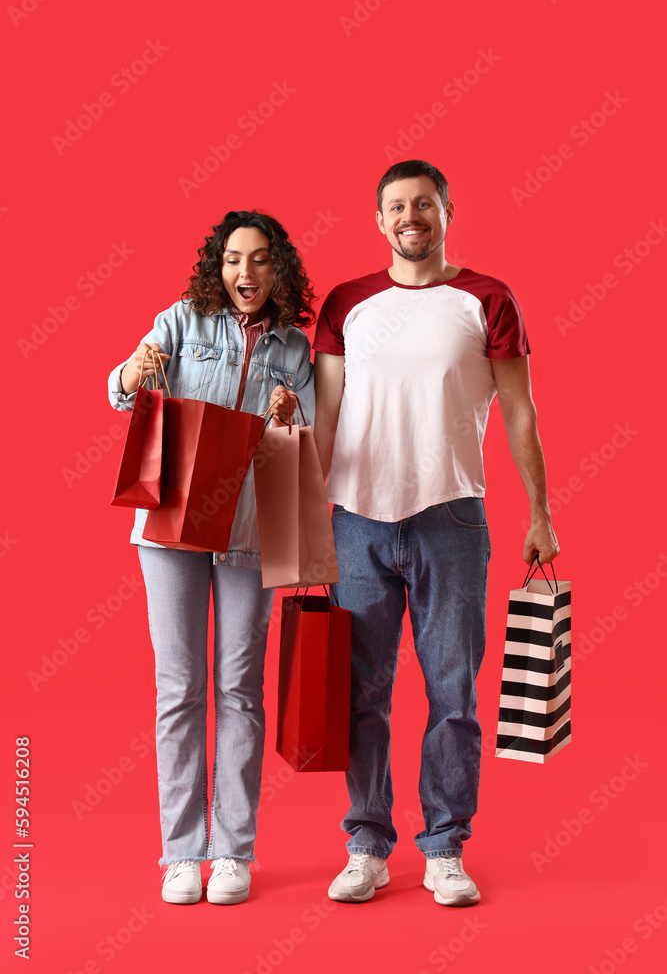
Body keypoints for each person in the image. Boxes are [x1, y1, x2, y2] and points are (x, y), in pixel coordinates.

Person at [313, 159, 559, 907]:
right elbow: (323, 416)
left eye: (423, 204)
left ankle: (445, 848)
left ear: (448, 210)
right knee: (361, 694)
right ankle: (366, 845)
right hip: (355, 518)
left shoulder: (485, 299)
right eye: (395, 207)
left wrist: (540, 512)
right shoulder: (346, 303)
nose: (409, 216)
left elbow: (520, 411)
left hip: (451, 515)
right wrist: (300, 523)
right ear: (377, 220)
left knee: (452, 692)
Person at [108, 210, 315, 905]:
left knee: (238, 689)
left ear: (277, 269)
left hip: (250, 528)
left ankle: (232, 852)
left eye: (259, 261)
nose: (245, 274)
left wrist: (293, 412)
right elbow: (120, 387)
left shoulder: (295, 345)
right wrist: (133, 370)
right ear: (215, 264)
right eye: (233, 260)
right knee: (179, 688)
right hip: (169, 525)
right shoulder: (179, 321)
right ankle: (181, 852)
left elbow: (313, 430)